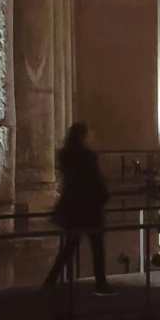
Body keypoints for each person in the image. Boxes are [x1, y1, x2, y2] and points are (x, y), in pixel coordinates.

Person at [42, 123, 111, 293]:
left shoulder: (65, 155)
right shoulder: (88, 155)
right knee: (97, 249)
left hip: (72, 208)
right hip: (89, 209)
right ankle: (101, 285)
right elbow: (95, 180)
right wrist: (104, 196)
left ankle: (50, 282)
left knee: (68, 248)